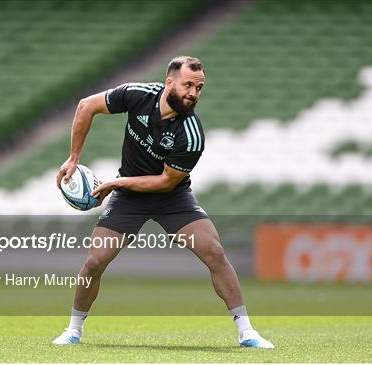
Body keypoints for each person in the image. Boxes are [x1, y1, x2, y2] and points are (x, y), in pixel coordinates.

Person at [53, 56, 274, 348]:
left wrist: (115, 183)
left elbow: (165, 182)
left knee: (214, 252)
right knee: (95, 261)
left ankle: (247, 332)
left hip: (172, 197)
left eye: (199, 88)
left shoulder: (191, 135)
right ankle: (74, 330)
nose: (193, 93)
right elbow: (86, 106)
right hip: (130, 198)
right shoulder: (137, 95)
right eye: (188, 85)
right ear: (169, 82)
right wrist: (74, 158)